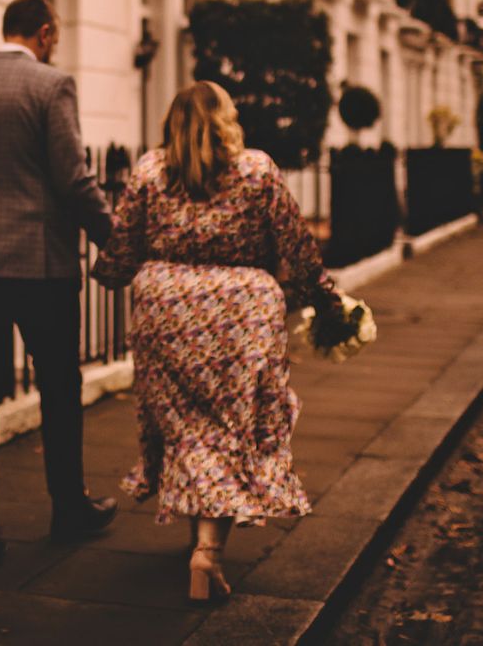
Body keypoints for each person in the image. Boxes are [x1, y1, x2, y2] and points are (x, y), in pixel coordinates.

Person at [93, 81, 338, 601]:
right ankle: (207, 553)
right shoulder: (257, 169)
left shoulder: (149, 170)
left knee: (186, 429)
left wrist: (113, 272)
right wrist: (327, 299)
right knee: (231, 430)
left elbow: (119, 254)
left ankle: (198, 543)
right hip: (241, 312)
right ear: (227, 120)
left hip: (166, 311)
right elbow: (297, 244)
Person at [0, 0, 117, 572]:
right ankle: (68, 511)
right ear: (43, 31)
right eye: (53, 37)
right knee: (59, 389)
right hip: (40, 267)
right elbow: (72, 179)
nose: (53, 46)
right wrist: (117, 239)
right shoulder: (52, 86)